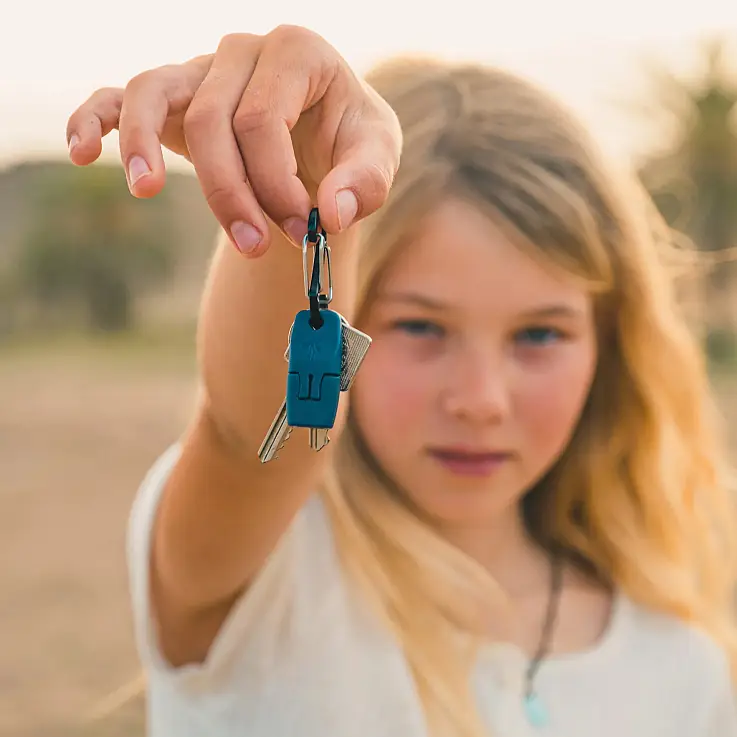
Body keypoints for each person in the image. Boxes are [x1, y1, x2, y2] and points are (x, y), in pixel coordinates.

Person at [67, 25, 737, 737]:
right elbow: (247, 433)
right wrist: (298, 184)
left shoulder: (683, 667)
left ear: (611, 344)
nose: (479, 399)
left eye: (539, 334)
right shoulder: (266, 577)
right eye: (420, 327)